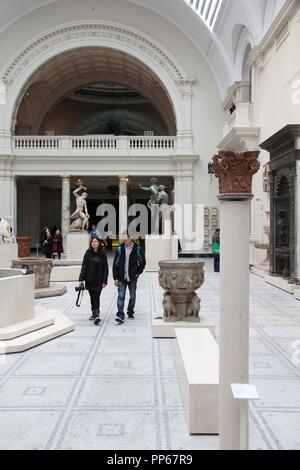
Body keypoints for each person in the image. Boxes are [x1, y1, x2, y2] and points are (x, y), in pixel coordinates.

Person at [113, 232, 146, 323]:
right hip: (121, 277)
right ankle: (120, 314)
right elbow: (115, 263)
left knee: (132, 296)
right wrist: (115, 277)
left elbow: (143, 262)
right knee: (121, 296)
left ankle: (130, 311)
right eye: (123, 238)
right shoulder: (120, 249)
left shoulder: (137, 249)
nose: (124, 240)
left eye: (125, 238)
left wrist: (138, 272)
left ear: (130, 237)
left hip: (132, 277)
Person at [79, 237, 108, 325]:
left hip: (99, 280)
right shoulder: (88, 253)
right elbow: (84, 265)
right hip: (89, 279)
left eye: (96, 242)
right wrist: (81, 279)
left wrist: (104, 280)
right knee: (92, 296)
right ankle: (94, 312)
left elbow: (105, 268)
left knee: (96, 296)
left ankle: (96, 313)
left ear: (99, 243)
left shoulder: (102, 253)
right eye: (92, 242)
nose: (94, 243)